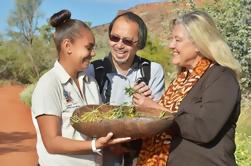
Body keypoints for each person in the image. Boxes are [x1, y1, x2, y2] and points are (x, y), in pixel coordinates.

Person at [134, 10, 242, 166]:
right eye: (171, 39)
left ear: (198, 44)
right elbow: (167, 132)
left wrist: (158, 110)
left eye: (177, 40)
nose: (171, 45)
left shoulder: (222, 77)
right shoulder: (182, 81)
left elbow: (204, 129)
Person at [31, 9, 131, 166]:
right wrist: (94, 145)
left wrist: (113, 143)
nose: (93, 53)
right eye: (89, 47)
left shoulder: (90, 82)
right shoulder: (49, 84)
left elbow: (98, 125)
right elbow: (51, 143)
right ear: (67, 46)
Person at [86, 11, 165, 165]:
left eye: (127, 41)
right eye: (114, 38)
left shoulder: (153, 71)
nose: (119, 45)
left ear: (140, 44)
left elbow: (157, 121)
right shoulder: (92, 70)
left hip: (139, 155)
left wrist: (147, 106)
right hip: (101, 156)